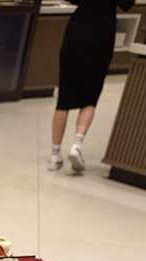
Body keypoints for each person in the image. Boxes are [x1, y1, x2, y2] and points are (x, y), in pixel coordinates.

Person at [48, 0, 134, 174]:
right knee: (90, 97)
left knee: (64, 98)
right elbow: (126, 4)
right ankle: (76, 145)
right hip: (102, 35)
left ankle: (55, 155)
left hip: (77, 31)